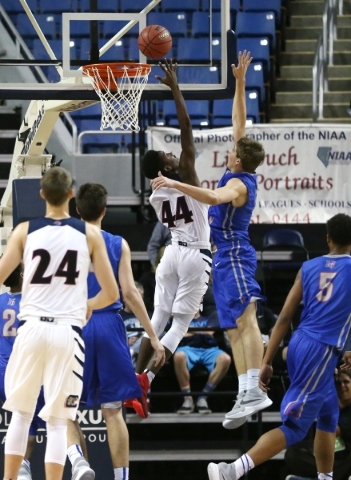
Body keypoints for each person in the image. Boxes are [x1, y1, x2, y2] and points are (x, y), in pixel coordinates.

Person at [150, 51, 269, 429]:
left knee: (246, 320)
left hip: (233, 252)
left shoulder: (237, 183)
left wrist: (174, 183)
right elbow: (239, 122)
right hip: (220, 256)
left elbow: (212, 198)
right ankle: (245, 390)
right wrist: (239, 81)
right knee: (233, 323)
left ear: (237, 160)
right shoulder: (240, 163)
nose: (229, 149)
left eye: (232, 150)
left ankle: (253, 388)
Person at [206, 212, 351, 480]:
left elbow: (284, 317)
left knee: (329, 415)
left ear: (327, 238)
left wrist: (266, 361)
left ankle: (325, 477)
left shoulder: (308, 267)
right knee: (296, 427)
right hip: (320, 351)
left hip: (299, 343)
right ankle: (233, 471)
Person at [0, 166, 118, 480]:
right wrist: (87, 305)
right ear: (70, 195)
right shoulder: (90, 234)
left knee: (21, 417)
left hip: (32, 329)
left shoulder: (24, 231)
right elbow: (112, 293)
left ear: (42, 195)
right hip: (67, 333)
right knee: (56, 421)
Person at [128, 58, 212, 418]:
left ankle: (133, 377)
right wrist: (175, 87)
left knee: (157, 316)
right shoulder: (188, 173)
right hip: (193, 254)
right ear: (166, 167)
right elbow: (187, 128)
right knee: (178, 323)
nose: (172, 152)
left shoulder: (155, 192)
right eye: (166, 154)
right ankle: (146, 377)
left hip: (171, 255)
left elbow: (174, 150)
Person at [66, 183, 165, 480]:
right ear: (105, 211)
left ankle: (79, 462)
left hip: (76, 324)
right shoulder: (118, 243)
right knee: (113, 412)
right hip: (109, 325)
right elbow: (132, 295)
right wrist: (154, 337)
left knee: (63, 409)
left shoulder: (64, 243)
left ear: (78, 210)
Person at [0, 264, 45, 480]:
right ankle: (22, 468)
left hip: (1, 371)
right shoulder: (32, 303)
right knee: (30, 423)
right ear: (22, 275)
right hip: (22, 372)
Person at [284, 369, 351, 480]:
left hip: (345, 460)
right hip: (328, 458)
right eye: (338, 383)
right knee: (292, 454)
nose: (342, 386)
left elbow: (333, 430)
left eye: (346, 382)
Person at [174, 311, 231, 415]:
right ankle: (188, 399)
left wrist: (188, 330)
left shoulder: (210, 317)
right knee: (178, 356)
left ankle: (203, 398)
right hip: (188, 348)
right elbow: (179, 334)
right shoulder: (181, 319)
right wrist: (201, 331)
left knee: (225, 359)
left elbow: (209, 332)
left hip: (209, 349)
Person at [120, 281, 149, 368]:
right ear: (124, 297)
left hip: (146, 351)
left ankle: (132, 351)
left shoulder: (149, 316)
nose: (135, 300)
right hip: (124, 349)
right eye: (132, 297)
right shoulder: (117, 316)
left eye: (139, 297)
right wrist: (126, 341)